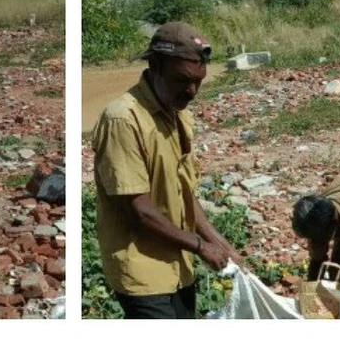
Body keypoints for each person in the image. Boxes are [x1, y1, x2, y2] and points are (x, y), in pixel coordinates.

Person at [91, 22, 241, 318]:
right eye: (183, 80)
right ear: (156, 65)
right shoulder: (124, 119)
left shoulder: (178, 115)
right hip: (142, 272)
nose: (192, 91)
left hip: (178, 268)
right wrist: (200, 246)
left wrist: (219, 242)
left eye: (199, 81)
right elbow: (139, 210)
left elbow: (185, 193)